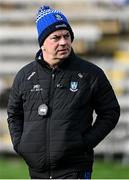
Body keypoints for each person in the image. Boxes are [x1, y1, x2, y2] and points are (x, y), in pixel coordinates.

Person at [7, 5, 120, 179]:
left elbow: (110, 112)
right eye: (56, 37)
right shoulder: (24, 76)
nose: (63, 42)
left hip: (74, 170)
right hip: (37, 172)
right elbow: (14, 114)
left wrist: (84, 143)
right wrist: (22, 145)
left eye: (67, 36)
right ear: (42, 42)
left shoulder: (90, 74)